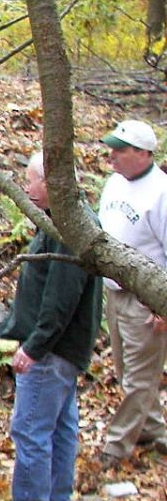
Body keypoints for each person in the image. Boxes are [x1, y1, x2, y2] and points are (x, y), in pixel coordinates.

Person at [0, 153, 103, 501]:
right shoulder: (62, 219)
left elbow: (61, 298)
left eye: (32, 181)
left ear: (52, 184)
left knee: (32, 428)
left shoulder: (69, 227)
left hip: (54, 351)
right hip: (61, 348)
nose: (27, 188)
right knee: (60, 426)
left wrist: (35, 347)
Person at [96, 119, 167, 468]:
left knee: (140, 376)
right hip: (115, 292)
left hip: (146, 295)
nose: (112, 156)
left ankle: (117, 445)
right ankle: (154, 430)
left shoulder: (161, 192)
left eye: (120, 150)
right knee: (126, 369)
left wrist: (163, 306)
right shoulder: (113, 184)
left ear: (142, 153)